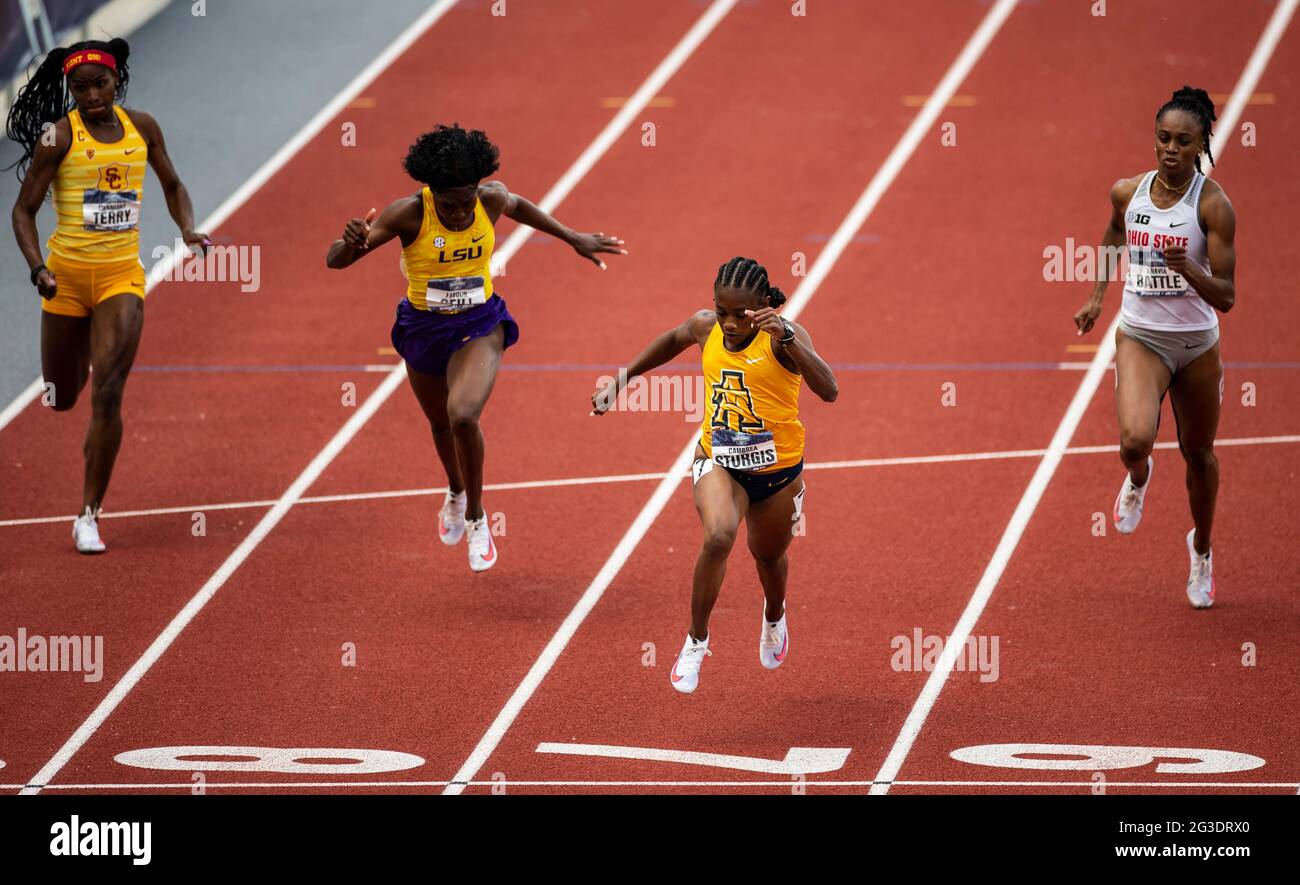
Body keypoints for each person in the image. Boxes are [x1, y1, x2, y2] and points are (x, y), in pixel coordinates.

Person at [327, 124, 625, 572]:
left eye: (467, 201)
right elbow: (336, 261)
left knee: (463, 415)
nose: (460, 212)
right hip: (423, 328)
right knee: (440, 424)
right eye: (449, 204)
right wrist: (348, 242)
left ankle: (476, 517)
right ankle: (455, 490)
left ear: (477, 189)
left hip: (479, 324)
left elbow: (520, 206)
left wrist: (573, 237)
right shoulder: (408, 214)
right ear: (431, 193)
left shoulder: (491, 199)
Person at [593, 256, 838, 692]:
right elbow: (672, 339)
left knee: (768, 556)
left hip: (778, 472)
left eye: (740, 314)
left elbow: (829, 390)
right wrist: (622, 378)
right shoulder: (706, 327)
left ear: (763, 306)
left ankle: (775, 615)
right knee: (719, 536)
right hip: (719, 459)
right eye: (722, 310)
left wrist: (786, 336)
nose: (729, 323)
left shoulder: (785, 338)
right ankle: (696, 640)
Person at [8, 38, 209, 553]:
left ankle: (88, 514)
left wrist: (187, 229)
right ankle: (87, 408)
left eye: (100, 84)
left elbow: (172, 185)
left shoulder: (143, 128)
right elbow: (23, 210)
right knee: (62, 396)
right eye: (80, 88)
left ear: (117, 79)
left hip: (121, 277)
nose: (92, 96)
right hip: (65, 280)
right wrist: (38, 269)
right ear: (70, 89)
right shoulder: (58, 136)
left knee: (109, 391)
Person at [1073, 86, 1236, 609]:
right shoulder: (1128, 193)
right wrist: (1097, 296)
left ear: (1200, 145)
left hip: (1196, 345)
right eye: (1163, 138)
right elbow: (1112, 235)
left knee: (1199, 454)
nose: (1171, 149)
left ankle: (1201, 549)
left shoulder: (1212, 205)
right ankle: (1138, 478)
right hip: (1141, 336)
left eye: (1183, 141)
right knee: (1133, 442)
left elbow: (1227, 296)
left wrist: (1189, 269)